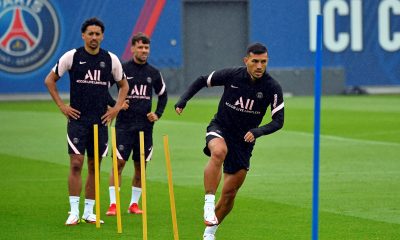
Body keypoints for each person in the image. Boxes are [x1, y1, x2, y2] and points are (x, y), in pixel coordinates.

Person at [174, 43, 284, 240]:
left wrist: (257, 131)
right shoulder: (232, 75)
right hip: (220, 128)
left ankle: (209, 233)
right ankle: (208, 203)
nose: (259, 66)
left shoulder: (272, 87)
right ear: (246, 61)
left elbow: (279, 121)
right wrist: (183, 100)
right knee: (218, 152)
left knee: (230, 194)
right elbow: (202, 80)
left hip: (244, 141)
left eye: (263, 62)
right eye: (255, 61)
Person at [44, 17, 129, 225]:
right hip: (78, 121)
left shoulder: (111, 59)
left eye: (97, 34)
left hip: (100, 122)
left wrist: (116, 109)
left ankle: (89, 212)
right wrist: (62, 106)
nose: (93, 37)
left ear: (102, 36)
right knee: (76, 163)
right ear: (83, 35)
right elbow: (50, 80)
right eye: (90, 34)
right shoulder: (72, 56)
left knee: (94, 166)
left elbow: (124, 86)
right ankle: (73, 211)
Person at [105, 32, 168, 216]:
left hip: (145, 128)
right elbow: (104, 87)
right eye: (140, 47)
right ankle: (113, 204)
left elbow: (163, 94)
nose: (143, 51)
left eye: (146, 47)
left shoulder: (154, 73)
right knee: (119, 163)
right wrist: (116, 105)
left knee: (141, 167)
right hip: (123, 125)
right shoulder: (122, 69)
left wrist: (157, 114)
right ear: (132, 48)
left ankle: (133, 204)